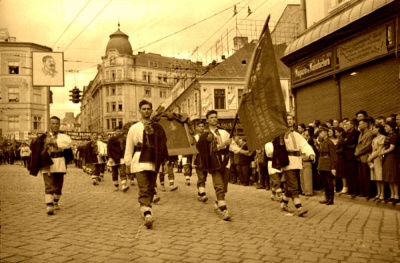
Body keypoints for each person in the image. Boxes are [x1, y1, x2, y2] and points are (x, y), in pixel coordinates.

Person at [124, 100, 168, 228]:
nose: (146, 111)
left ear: (152, 110)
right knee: (143, 187)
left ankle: (146, 207)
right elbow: (129, 146)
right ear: (140, 111)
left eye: (149, 109)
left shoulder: (158, 127)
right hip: (139, 159)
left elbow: (163, 145)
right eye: (144, 109)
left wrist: (164, 162)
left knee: (150, 187)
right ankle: (147, 212)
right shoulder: (134, 128)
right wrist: (127, 163)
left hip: (153, 160)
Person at [196, 110, 245, 221]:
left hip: (225, 162)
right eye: (211, 117)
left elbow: (232, 146)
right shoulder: (205, 135)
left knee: (224, 187)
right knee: (219, 186)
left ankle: (217, 203)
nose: (214, 119)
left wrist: (244, 152)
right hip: (214, 163)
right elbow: (203, 149)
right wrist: (223, 144)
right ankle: (224, 210)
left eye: (215, 117)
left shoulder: (224, 133)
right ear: (207, 120)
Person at [28, 116, 73, 215]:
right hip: (47, 162)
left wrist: (54, 141)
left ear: (59, 125)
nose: (55, 125)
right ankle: (49, 205)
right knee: (49, 185)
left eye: (57, 123)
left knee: (58, 186)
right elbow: (34, 146)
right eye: (53, 123)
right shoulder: (43, 137)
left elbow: (68, 143)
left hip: (60, 162)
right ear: (49, 124)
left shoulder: (63, 136)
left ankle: (55, 201)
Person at [280, 114, 315, 217]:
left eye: (291, 119)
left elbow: (304, 145)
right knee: (294, 185)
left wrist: (310, 153)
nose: (289, 121)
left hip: (297, 161)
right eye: (287, 119)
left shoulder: (297, 135)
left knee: (290, 185)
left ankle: (284, 203)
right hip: (288, 162)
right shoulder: (282, 135)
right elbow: (278, 147)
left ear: (294, 121)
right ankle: (299, 207)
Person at [316, 125, 337, 205]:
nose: (319, 134)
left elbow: (333, 156)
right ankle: (327, 197)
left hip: (327, 163)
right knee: (324, 182)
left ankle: (331, 199)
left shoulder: (329, 142)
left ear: (325, 133)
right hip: (322, 163)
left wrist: (333, 167)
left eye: (320, 132)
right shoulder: (322, 142)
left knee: (329, 182)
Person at [354, 117, 374, 200]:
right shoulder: (360, 134)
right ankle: (363, 192)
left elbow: (368, 146)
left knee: (366, 176)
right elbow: (358, 145)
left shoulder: (370, 134)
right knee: (361, 175)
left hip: (365, 156)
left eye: (360, 124)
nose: (359, 125)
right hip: (360, 157)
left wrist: (357, 152)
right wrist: (357, 152)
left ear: (366, 124)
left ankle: (368, 193)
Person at [380, 121, 399, 205]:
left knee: (393, 177)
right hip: (387, 157)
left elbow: (392, 148)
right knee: (389, 177)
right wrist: (382, 152)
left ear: (391, 127)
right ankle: (392, 195)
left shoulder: (394, 135)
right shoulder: (388, 135)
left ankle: (396, 196)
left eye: (387, 126)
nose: (385, 128)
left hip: (392, 157)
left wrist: (383, 153)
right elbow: (385, 146)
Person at [107, 127, 129, 192]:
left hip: (122, 157)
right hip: (113, 158)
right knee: (114, 172)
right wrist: (110, 157)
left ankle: (123, 185)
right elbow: (108, 149)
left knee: (122, 171)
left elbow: (126, 148)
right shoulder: (111, 139)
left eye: (120, 131)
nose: (118, 132)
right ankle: (116, 185)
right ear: (114, 132)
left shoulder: (124, 139)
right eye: (117, 131)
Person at [368, 124, 385, 201]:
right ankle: (378, 192)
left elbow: (380, 149)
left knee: (380, 175)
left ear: (378, 129)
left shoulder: (382, 137)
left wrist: (372, 157)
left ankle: (382, 193)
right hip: (373, 157)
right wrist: (370, 157)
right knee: (376, 176)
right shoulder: (374, 139)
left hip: (378, 157)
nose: (372, 130)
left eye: (374, 128)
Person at [343, 118, 360, 198]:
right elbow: (344, 142)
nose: (346, 126)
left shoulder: (356, 133)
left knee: (353, 174)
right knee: (348, 173)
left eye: (348, 124)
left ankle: (355, 190)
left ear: (352, 125)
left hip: (352, 155)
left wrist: (346, 143)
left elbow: (352, 143)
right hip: (346, 155)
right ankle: (350, 189)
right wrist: (346, 143)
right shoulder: (347, 133)